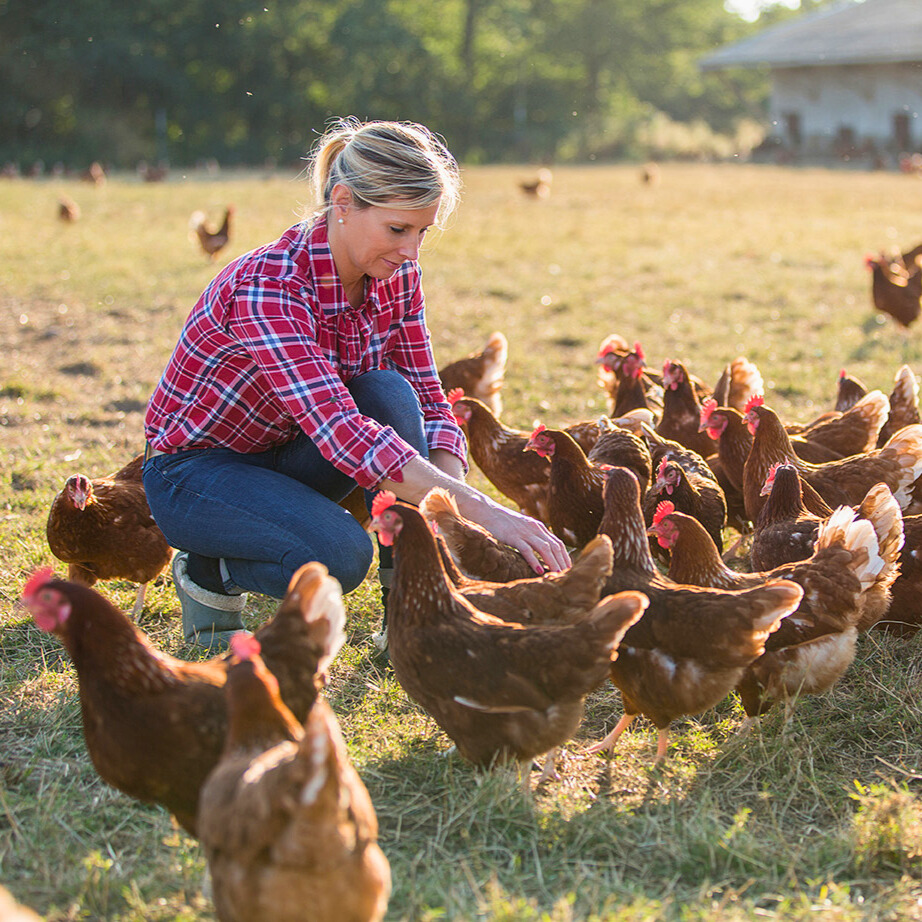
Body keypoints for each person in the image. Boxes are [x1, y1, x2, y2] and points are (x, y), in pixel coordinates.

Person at [142, 118, 570, 650]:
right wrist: (486, 513)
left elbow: (428, 401)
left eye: (422, 232)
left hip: (292, 450)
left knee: (389, 391)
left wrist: (449, 511)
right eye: (398, 230)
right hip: (197, 473)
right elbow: (342, 431)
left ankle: (412, 612)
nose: (412, 251)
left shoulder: (396, 276)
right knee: (340, 556)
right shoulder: (269, 287)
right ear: (342, 202)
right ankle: (209, 571)